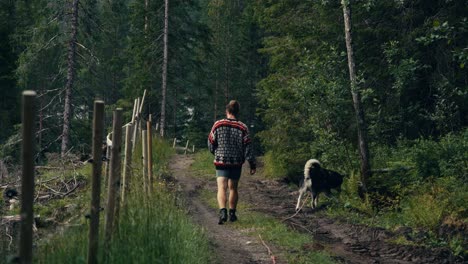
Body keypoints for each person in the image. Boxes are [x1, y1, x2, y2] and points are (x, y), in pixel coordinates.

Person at [208, 100, 256, 224]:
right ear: (237, 112)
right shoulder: (243, 127)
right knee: (233, 188)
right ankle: (232, 214)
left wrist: (216, 152)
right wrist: (252, 163)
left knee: (221, 188)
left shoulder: (218, 124)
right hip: (236, 162)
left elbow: (211, 142)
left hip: (221, 161)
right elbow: (248, 147)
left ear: (227, 111)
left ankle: (222, 211)